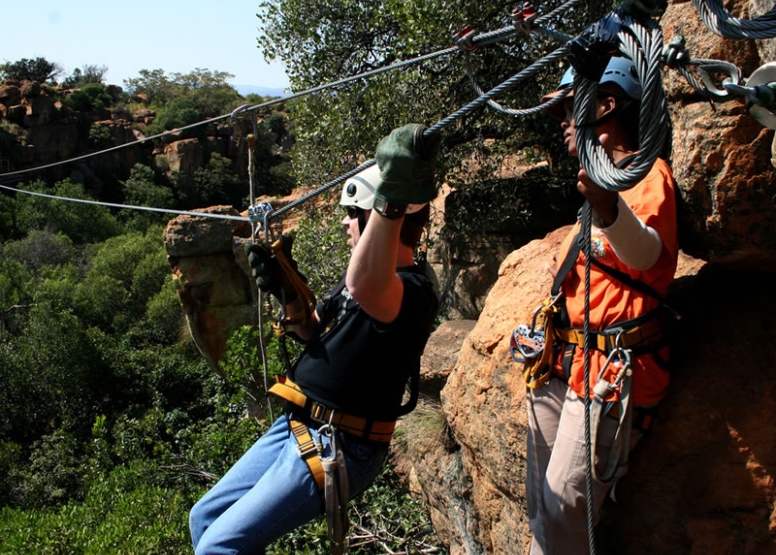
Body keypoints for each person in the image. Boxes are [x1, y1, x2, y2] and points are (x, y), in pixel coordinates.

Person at [188, 124, 440, 555]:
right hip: (299, 426)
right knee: (204, 519)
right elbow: (315, 329)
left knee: (220, 549)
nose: (345, 221)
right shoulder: (359, 286)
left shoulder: (411, 289)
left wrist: (391, 194)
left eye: (352, 212)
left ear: (377, 213)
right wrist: (289, 291)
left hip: (341, 444)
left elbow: (366, 286)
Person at [521, 56, 679, 554]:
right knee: (540, 502)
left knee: (566, 508)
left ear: (606, 105)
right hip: (566, 363)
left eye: (569, 110)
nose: (563, 124)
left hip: (611, 372)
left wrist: (610, 208)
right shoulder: (600, 183)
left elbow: (648, 255)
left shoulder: (645, 174)